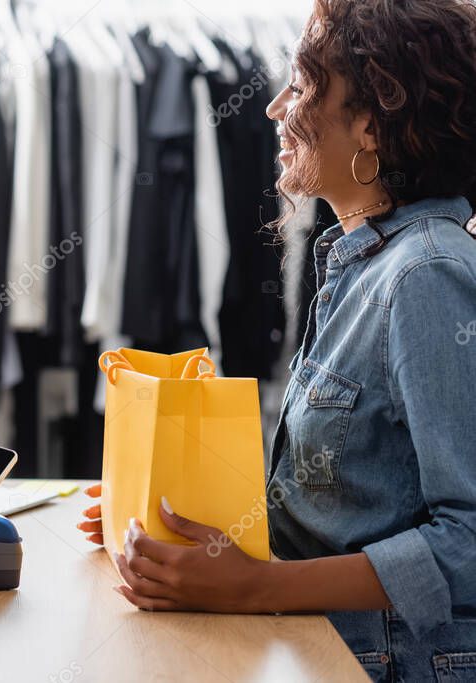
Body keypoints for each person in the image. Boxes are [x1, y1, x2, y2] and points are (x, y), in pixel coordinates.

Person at [78, 0, 476, 679]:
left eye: (302, 85)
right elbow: (354, 499)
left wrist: (252, 585)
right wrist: (180, 521)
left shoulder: (424, 275)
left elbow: (466, 540)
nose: (273, 109)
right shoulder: (358, 262)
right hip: (325, 651)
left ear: (371, 123)